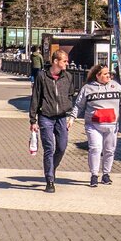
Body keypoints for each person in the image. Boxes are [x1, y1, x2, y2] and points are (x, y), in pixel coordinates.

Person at [69, 64, 121, 187]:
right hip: (93, 125)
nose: (109, 75)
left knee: (109, 150)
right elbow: (78, 105)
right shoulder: (87, 88)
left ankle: (106, 174)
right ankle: (94, 175)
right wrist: (72, 118)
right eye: (105, 74)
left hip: (112, 125)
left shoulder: (115, 86)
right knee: (95, 148)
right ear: (97, 76)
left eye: (109, 73)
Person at [29, 49, 78, 192]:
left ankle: (52, 167)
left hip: (62, 117)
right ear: (56, 61)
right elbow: (35, 98)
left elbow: (70, 93)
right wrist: (33, 120)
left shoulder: (68, 77)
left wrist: (68, 108)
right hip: (46, 117)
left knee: (62, 147)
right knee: (49, 148)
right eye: (65, 61)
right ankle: (49, 179)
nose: (67, 63)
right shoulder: (42, 76)